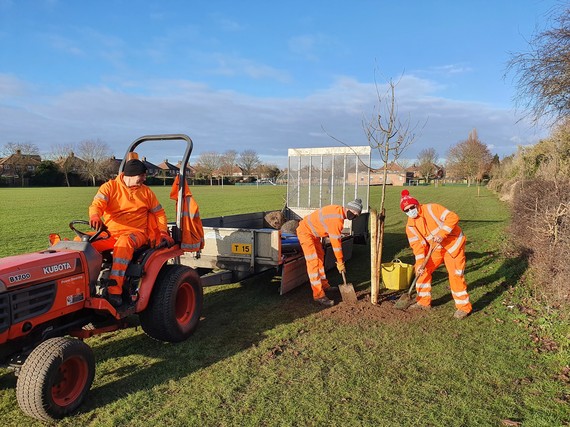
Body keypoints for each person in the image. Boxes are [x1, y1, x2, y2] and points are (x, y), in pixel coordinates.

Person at [88, 158, 173, 307]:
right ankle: (85, 287)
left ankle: (115, 290)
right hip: (111, 233)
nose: (144, 179)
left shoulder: (146, 192)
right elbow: (97, 205)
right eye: (142, 175)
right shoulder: (109, 188)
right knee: (81, 243)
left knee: (124, 243)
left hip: (136, 233)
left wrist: (163, 232)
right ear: (130, 175)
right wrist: (95, 215)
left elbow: (159, 213)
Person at [399, 189, 472, 319]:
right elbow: (417, 246)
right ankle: (423, 301)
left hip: (453, 245)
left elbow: (452, 217)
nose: (410, 211)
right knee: (421, 270)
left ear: (417, 204)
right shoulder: (410, 226)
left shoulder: (432, 208)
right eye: (407, 210)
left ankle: (463, 307)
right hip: (436, 248)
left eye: (412, 207)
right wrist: (421, 263)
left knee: (455, 275)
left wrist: (442, 233)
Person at [297, 198, 363, 307]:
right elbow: (336, 245)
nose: (355, 216)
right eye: (355, 213)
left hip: (314, 234)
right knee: (313, 262)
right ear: (349, 209)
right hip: (305, 233)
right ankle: (318, 295)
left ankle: (324, 285)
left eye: (357, 215)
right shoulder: (336, 220)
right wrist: (340, 262)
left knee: (320, 258)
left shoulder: (338, 211)